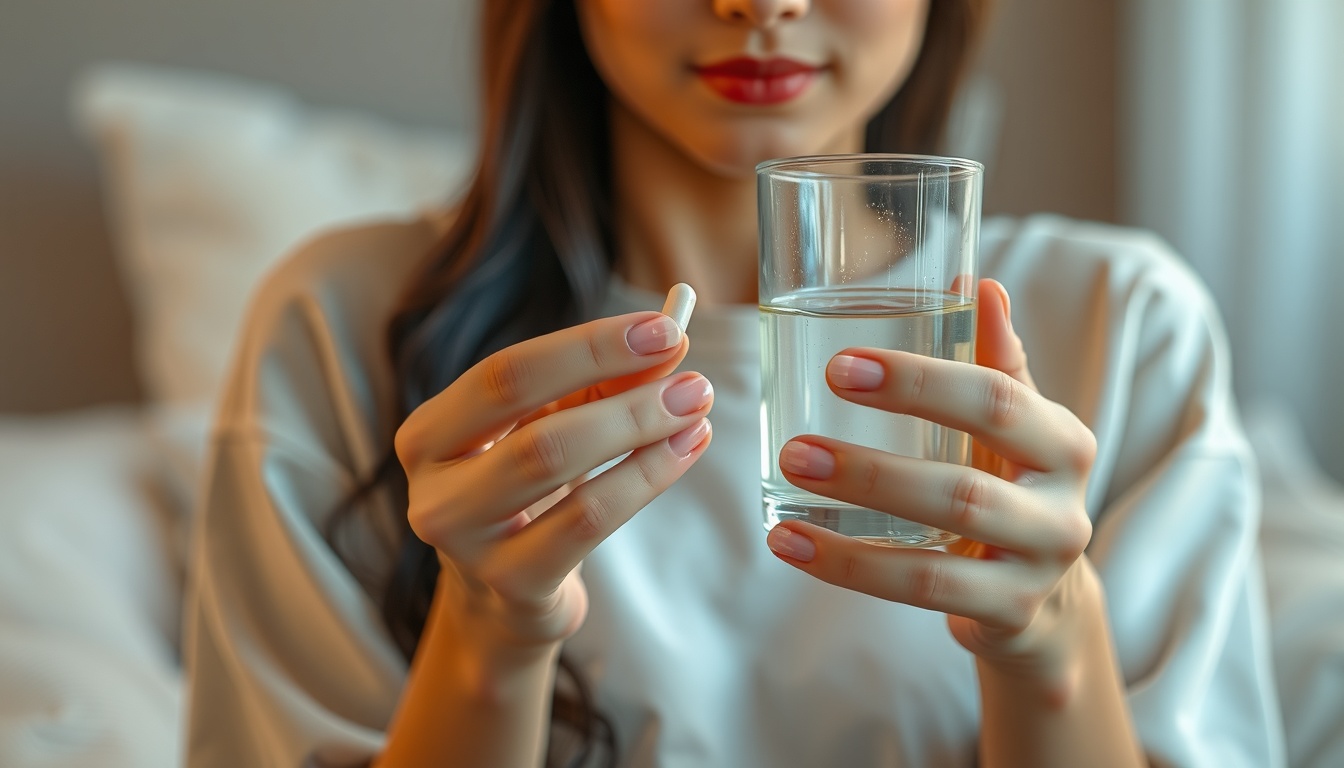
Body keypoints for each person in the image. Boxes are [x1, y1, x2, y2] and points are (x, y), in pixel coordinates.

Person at [181, 1, 1285, 766]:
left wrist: (1049, 637)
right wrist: (490, 629)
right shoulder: (342, 327)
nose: (762, 8)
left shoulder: (1120, 324)